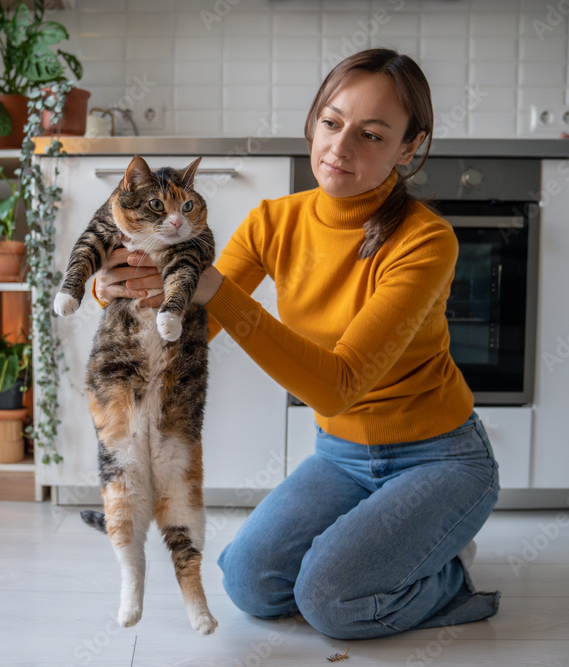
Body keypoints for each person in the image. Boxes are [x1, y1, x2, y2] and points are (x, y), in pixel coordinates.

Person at [92, 48, 500, 640]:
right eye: (331, 123)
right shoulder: (274, 221)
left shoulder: (425, 240)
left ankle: (448, 573)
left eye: (372, 134)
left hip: (440, 456)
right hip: (341, 456)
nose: (340, 148)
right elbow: (193, 325)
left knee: (331, 602)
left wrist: (215, 291)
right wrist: (117, 289)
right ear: (313, 120)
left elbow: (336, 388)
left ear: (409, 148)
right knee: (250, 584)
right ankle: (392, 547)